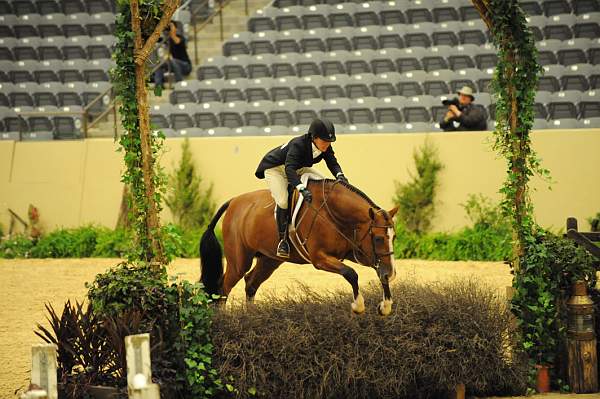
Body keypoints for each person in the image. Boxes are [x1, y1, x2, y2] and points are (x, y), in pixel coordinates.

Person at [255, 119, 348, 258]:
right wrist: (301, 188)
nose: (327, 144)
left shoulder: (325, 146)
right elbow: (289, 169)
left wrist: (340, 176)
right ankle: (283, 241)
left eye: (329, 142)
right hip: (277, 169)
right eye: (324, 141)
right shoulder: (298, 145)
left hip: (297, 167)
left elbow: (332, 162)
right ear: (314, 138)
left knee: (323, 183)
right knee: (283, 201)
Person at [153, 22, 192, 92]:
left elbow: (178, 42)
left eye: (170, 27)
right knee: (159, 63)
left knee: (172, 60)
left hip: (185, 65)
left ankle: (179, 84)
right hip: (173, 64)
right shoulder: (166, 39)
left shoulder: (180, 37)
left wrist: (173, 31)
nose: (168, 28)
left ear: (176, 29)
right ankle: (158, 86)